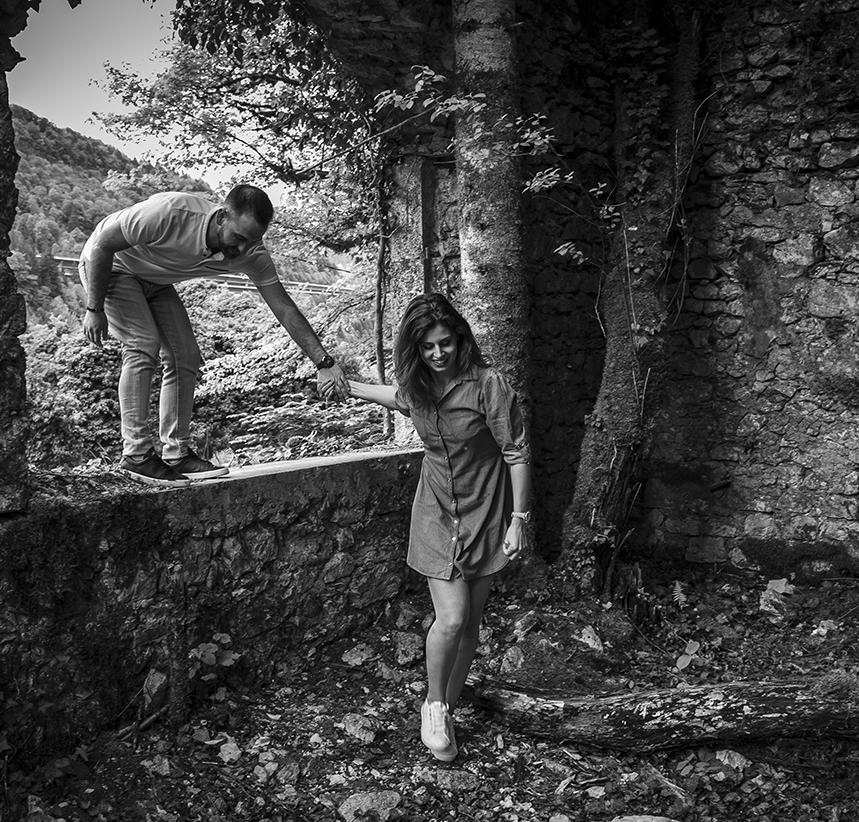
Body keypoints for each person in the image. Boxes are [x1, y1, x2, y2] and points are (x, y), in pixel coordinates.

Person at [347, 293, 531, 762]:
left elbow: (516, 453)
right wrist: (347, 385)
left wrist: (518, 520)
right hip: (434, 512)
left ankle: (449, 704)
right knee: (450, 617)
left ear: (460, 338)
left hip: (486, 512)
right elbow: (399, 400)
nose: (437, 354)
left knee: (470, 619)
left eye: (445, 343)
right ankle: (433, 705)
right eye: (427, 346)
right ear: (415, 349)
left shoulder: (488, 385)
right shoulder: (419, 385)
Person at [79, 185, 350, 486]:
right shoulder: (172, 213)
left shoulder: (252, 253)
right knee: (144, 345)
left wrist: (324, 363)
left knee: (186, 355)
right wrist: (94, 307)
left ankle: (177, 453)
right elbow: (102, 245)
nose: (244, 249)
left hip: (154, 281)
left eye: (253, 241)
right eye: (239, 238)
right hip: (110, 267)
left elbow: (285, 309)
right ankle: (137, 455)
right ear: (222, 217)